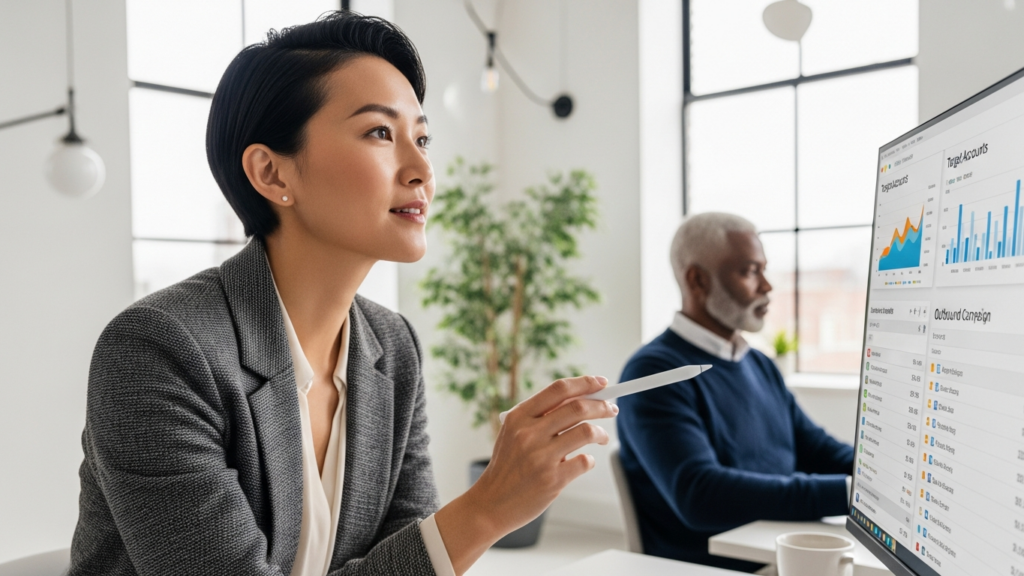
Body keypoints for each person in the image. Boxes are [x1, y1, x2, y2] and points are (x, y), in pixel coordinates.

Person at [68, 13, 617, 576]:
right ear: (273, 174)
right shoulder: (157, 350)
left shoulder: (392, 346)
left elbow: (406, 561)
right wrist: (488, 507)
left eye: (422, 138)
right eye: (380, 132)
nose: (422, 168)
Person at [616, 212, 854, 572]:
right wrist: (850, 494)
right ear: (698, 280)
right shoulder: (654, 372)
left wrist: (880, 479)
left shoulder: (758, 363)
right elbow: (701, 494)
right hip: (720, 565)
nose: (767, 287)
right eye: (750, 271)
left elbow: (816, 448)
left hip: (771, 547)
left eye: (764, 269)